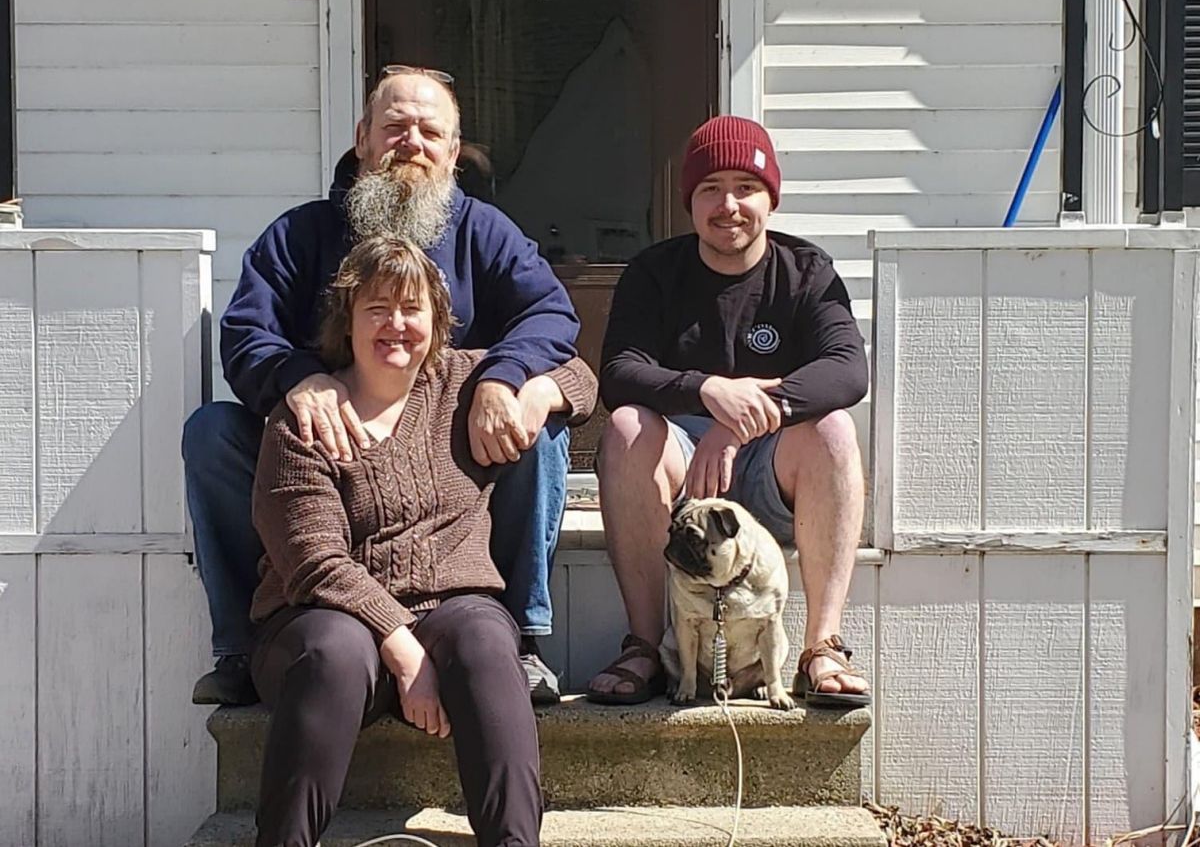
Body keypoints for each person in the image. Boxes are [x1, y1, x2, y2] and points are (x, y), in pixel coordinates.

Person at [183, 64, 580, 706]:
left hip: (446, 470)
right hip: (323, 458)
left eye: (430, 131)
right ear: (362, 138)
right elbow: (245, 334)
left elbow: (552, 316)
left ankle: (522, 639)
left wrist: (503, 380)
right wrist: (298, 377)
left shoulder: (485, 231)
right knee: (211, 434)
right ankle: (241, 647)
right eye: (395, 127)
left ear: (453, 150)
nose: (411, 143)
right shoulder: (299, 234)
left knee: (541, 433)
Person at [250, 235, 595, 847]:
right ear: (347, 322)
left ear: (437, 321)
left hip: (450, 605)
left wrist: (527, 388)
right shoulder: (305, 417)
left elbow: (583, 378)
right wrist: (403, 647)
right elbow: (314, 561)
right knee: (335, 651)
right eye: (377, 308)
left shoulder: (463, 383)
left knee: (487, 641)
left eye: (412, 308)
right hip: (320, 620)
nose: (397, 325)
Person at [585, 116, 871, 707]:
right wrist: (709, 391)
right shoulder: (654, 273)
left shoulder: (806, 271)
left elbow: (847, 370)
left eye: (746, 187)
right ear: (690, 201)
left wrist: (743, 419)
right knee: (627, 427)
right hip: (683, 475)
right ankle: (645, 646)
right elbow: (619, 372)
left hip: (772, 466)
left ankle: (822, 647)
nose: (729, 205)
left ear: (771, 198)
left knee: (834, 431)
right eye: (711, 188)